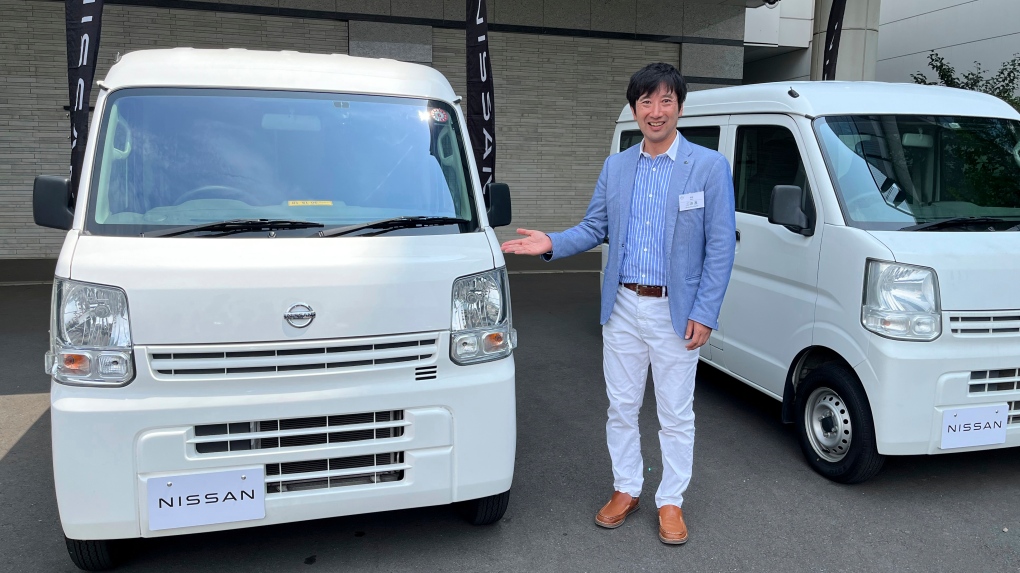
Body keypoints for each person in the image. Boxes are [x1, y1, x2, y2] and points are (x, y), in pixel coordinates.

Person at [501, 62, 735, 545]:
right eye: (646, 102)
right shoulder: (618, 166)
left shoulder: (708, 167)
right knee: (621, 406)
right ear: (634, 109)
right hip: (624, 307)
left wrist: (705, 312)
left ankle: (671, 500)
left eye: (665, 101)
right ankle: (627, 487)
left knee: (675, 412)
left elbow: (720, 247)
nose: (656, 111)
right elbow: (594, 228)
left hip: (677, 311)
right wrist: (551, 243)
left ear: (679, 108)